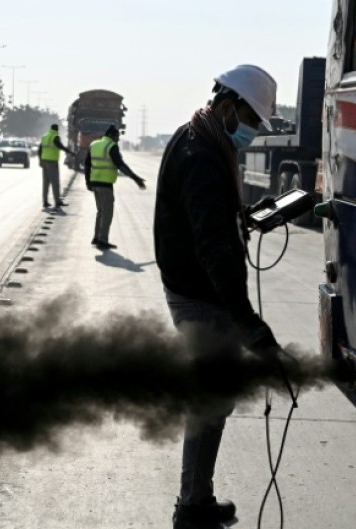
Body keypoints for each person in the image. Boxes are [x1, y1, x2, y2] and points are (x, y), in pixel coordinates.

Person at [153, 65, 281, 529]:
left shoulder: (199, 136)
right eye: (250, 120)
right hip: (198, 295)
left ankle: (197, 499)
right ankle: (191, 508)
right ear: (228, 107)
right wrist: (247, 321)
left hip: (192, 287)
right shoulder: (202, 155)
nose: (251, 131)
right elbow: (212, 247)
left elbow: (207, 218)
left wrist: (243, 215)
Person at [84, 125, 146, 249]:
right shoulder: (111, 146)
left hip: (94, 182)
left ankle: (96, 237)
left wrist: (88, 182)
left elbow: (87, 164)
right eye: (117, 136)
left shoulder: (94, 144)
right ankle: (102, 240)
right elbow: (120, 165)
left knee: (100, 212)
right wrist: (135, 178)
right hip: (105, 184)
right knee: (107, 213)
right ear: (112, 136)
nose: (118, 139)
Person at [38, 124, 76, 209]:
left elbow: (40, 149)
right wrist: (70, 152)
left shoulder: (45, 136)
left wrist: (40, 160)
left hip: (44, 162)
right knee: (55, 182)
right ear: (57, 129)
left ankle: (45, 201)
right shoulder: (55, 136)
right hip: (52, 162)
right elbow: (60, 146)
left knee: (46, 183)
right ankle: (57, 201)